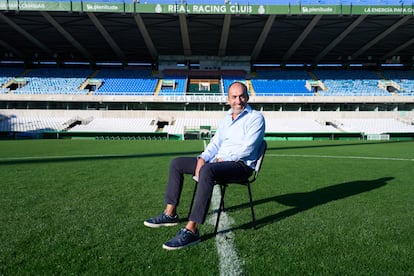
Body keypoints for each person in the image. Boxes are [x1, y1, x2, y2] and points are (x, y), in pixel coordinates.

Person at [144, 81, 266, 250]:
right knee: (177, 163)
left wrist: (221, 159)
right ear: (228, 99)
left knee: (208, 170)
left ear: (247, 96)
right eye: (234, 97)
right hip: (220, 161)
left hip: (240, 165)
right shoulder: (226, 119)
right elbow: (215, 144)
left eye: (242, 96)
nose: (239, 101)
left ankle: (191, 230)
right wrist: (202, 158)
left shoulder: (256, 118)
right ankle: (170, 213)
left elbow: (248, 148)